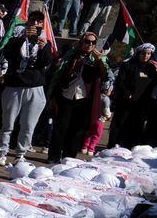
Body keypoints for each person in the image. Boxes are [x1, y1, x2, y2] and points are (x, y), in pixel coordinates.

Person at [0, 10, 52, 166]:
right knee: (8, 123)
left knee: (28, 125)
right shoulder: (17, 39)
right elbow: (8, 54)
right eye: (32, 20)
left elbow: (46, 63)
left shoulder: (45, 42)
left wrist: (42, 48)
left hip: (35, 88)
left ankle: (20, 154)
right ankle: (2, 152)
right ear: (27, 23)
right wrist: (22, 38)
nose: (35, 24)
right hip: (14, 86)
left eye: (39, 22)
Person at [47, 31, 111, 162]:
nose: (90, 45)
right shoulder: (71, 55)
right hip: (67, 96)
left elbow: (103, 75)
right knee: (60, 128)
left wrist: (98, 60)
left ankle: (69, 158)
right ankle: (53, 156)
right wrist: (53, 97)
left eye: (93, 43)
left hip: (84, 100)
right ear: (82, 42)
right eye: (87, 42)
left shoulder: (98, 59)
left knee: (77, 130)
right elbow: (59, 75)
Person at [108, 42, 157, 148]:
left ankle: (131, 148)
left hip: (141, 104)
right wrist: (127, 93)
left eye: (148, 54)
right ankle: (113, 147)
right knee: (119, 125)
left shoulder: (151, 68)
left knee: (136, 126)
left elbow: (153, 84)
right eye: (143, 53)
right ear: (138, 53)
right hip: (126, 102)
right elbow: (120, 81)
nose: (146, 56)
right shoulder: (128, 65)